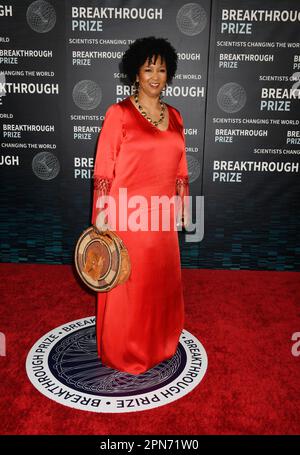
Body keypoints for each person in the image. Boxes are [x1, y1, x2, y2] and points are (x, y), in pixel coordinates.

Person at [91, 36, 190, 375]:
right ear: (135, 73)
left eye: (162, 70)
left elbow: (180, 169)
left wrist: (182, 207)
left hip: (162, 220)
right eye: (148, 69)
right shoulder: (118, 114)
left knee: (160, 285)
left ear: (169, 74)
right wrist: (102, 215)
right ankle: (126, 349)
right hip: (127, 218)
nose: (155, 76)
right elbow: (105, 170)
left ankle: (160, 343)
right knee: (131, 288)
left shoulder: (175, 116)